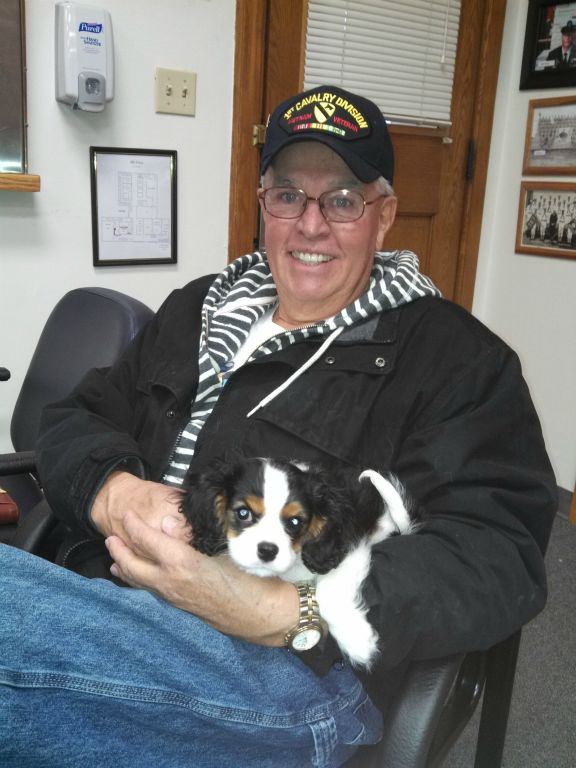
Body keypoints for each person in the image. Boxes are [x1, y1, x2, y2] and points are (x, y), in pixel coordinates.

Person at [0, 85, 557, 767]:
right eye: (288, 196)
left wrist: (285, 612)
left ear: (384, 217)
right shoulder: (196, 308)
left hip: (286, 677)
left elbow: (496, 555)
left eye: (343, 200)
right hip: (111, 604)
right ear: (263, 205)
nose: (311, 225)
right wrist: (119, 494)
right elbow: (76, 418)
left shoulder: (456, 363)